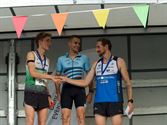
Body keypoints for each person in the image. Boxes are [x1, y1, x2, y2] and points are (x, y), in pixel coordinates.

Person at [60, 38, 134, 125]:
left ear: (106, 47)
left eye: (98, 47)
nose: (97, 50)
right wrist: (67, 79)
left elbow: (128, 83)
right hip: (99, 102)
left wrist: (130, 101)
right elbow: (85, 82)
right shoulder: (96, 64)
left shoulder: (118, 61)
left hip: (115, 101)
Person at [55, 35, 94, 125]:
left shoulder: (84, 58)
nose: (77, 45)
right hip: (66, 89)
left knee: (81, 117)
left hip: (79, 88)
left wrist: (91, 92)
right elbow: (57, 78)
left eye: (79, 43)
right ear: (69, 44)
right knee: (65, 118)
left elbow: (89, 76)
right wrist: (58, 93)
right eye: (75, 43)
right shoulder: (61, 59)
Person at [24, 32, 59, 125]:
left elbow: (44, 81)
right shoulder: (31, 54)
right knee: (30, 121)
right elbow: (32, 73)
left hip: (43, 93)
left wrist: (48, 96)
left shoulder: (47, 60)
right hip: (31, 91)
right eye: (47, 41)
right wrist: (51, 77)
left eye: (50, 41)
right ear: (40, 41)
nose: (49, 43)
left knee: (42, 123)